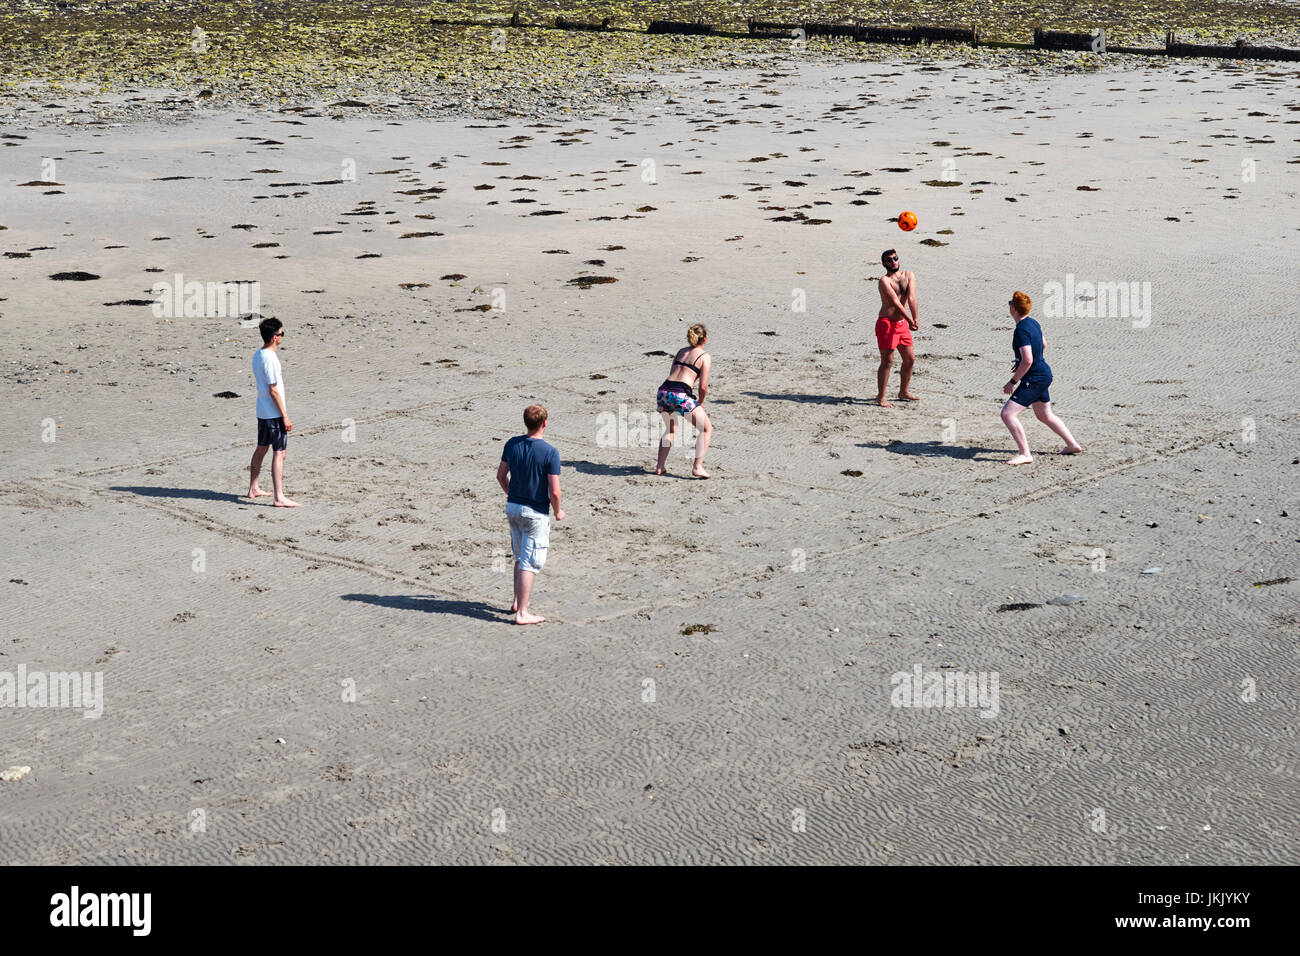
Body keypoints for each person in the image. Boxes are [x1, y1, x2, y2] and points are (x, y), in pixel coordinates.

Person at [496, 404, 564, 625]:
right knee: (530, 562)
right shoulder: (550, 452)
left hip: (513, 508)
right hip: (535, 513)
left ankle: (517, 600)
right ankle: (522, 612)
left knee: (519, 556)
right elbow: (554, 491)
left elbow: (500, 475)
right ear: (545, 423)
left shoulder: (512, 444)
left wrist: (512, 494)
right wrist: (557, 511)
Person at [1000, 291, 1083, 465]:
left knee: (1008, 414)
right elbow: (1043, 344)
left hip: (1035, 378)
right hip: (1044, 373)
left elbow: (1028, 359)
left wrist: (1013, 381)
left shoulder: (1020, 331)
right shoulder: (1033, 322)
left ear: (1014, 309)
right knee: (1044, 415)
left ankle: (1025, 454)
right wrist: (1023, 361)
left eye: (1010, 303)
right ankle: (1072, 445)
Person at [247, 317, 299, 506]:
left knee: (262, 448)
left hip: (262, 410)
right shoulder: (270, 359)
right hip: (273, 413)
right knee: (280, 452)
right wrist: (284, 416)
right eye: (281, 334)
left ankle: (253, 488)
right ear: (274, 337)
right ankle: (279, 496)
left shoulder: (258, 354)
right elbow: (274, 390)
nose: (282, 337)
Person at [654, 323, 714, 478]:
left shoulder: (681, 351)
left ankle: (660, 467)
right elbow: (703, 385)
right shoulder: (704, 356)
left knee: (670, 430)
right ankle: (697, 467)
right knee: (706, 428)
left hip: (664, 392)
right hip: (680, 395)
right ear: (705, 339)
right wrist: (700, 401)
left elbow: (673, 373)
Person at [875, 248, 920, 407]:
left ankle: (903, 391)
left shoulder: (908, 275)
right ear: (884, 264)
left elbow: (912, 297)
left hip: (902, 325)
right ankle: (881, 397)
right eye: (889, 260)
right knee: (887, 361)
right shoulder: (884, 281)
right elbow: (894, 302)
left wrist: (915, 317)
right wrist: (909, 319)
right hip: (887, 323)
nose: (893, 261)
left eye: (895, 258)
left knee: (910, 359)